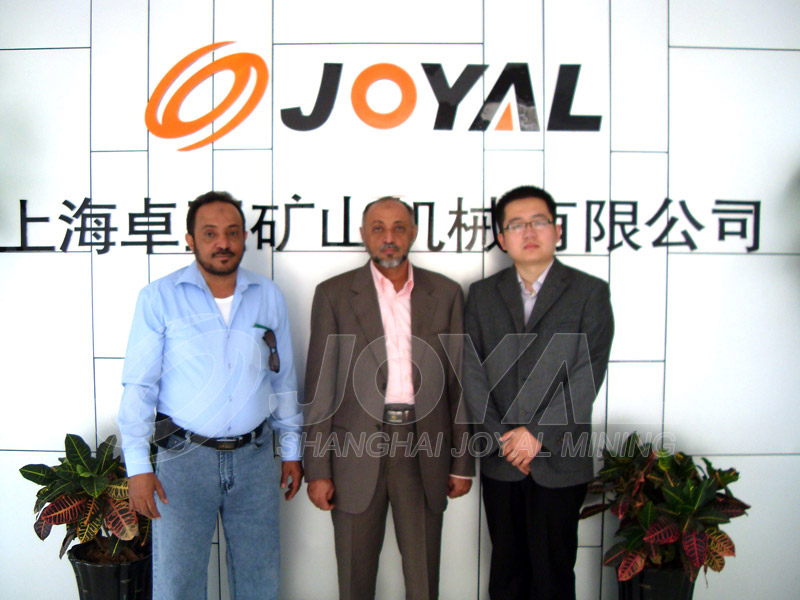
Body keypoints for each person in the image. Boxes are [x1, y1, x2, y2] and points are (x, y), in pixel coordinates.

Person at [118, 191, 303, 600]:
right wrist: (137, 467)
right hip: (183, 462)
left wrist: (292, 450)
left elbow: (284, 378)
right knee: (178, 585)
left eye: (232, 233)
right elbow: (140, 386)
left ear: (244, 237)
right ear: (190, 240)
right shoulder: (159, 297)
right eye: (210, 233)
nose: (223, 243)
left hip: (255, 460)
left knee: (260, 583)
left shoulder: (268, 295)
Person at [303, 196, 473, 600]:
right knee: (354, 579)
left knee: (423, 579)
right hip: (353, 452)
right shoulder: (334, 294)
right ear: (364, 235)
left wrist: (463, 462)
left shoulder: (445, 293)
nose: (389, 237)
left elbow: (459, 382)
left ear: (413, 233)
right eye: (378, 228)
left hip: (424, 447)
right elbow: (320, 388)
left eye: (399, 227)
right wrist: (317, 468)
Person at [462, 185, 614, 600]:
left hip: (560, 459)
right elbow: (471, 371)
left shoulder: (590, 292)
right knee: (507, 572)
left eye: (539, 222)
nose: (528, 232)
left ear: (557, 230)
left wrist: (537, 435)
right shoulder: (482, 295)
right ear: (501, 238)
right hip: (502, 458)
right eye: (516, 225)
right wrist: (503, 438)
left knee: (553, 574)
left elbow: (588, 373)